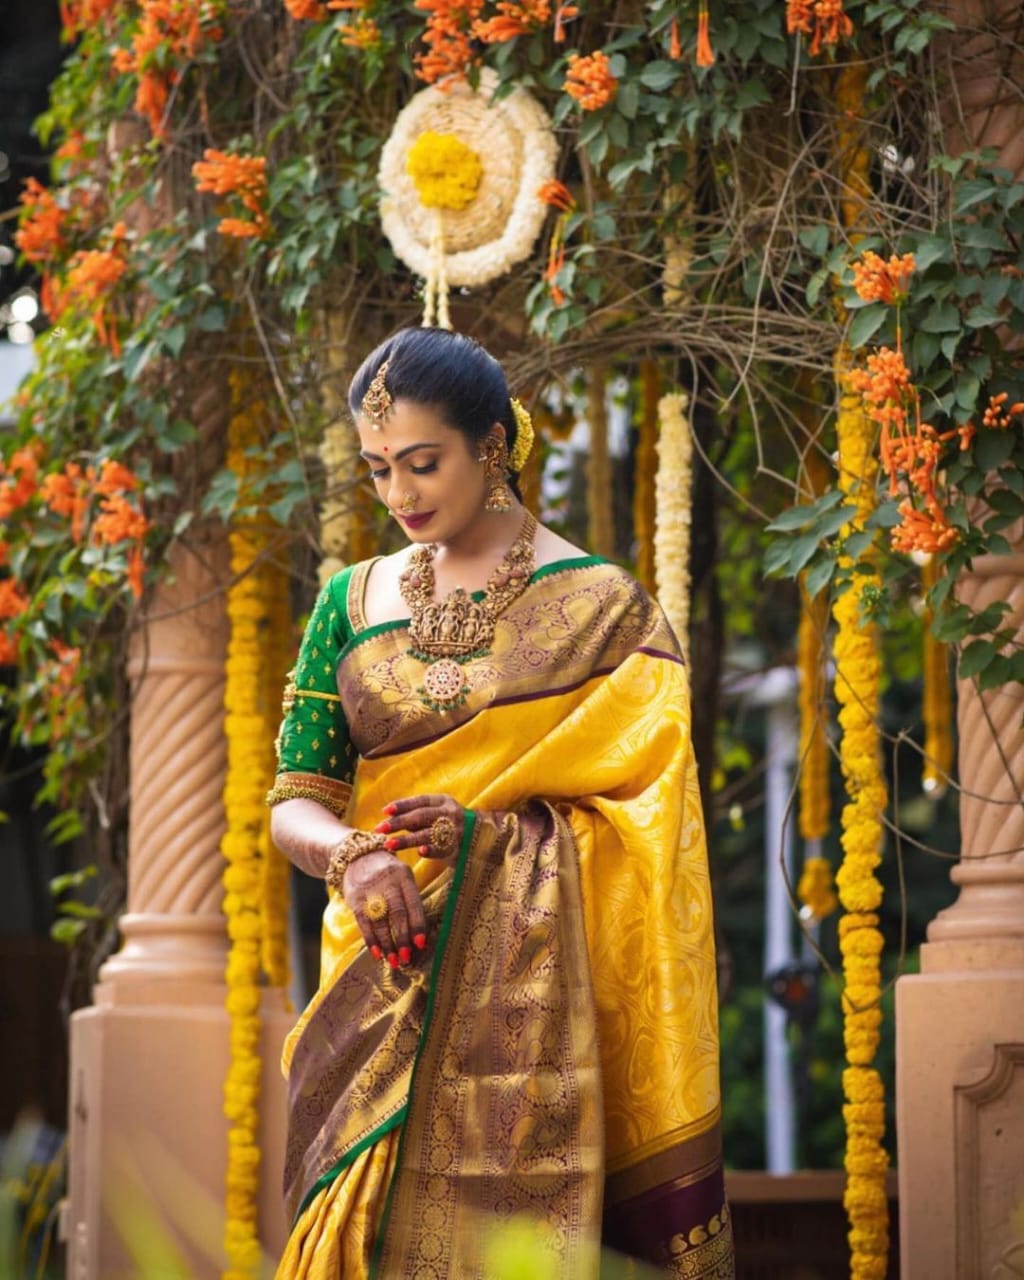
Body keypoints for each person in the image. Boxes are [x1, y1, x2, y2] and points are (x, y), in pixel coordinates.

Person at [267, 327, 734, 1279]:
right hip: (383, 977)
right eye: (377, 470)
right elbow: (294, 802)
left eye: (422, 464)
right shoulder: (347, 606)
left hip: (544, 1013)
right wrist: (356, 855)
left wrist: (483, 844)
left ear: (493, 445)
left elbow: (654, 833)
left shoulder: (605, 611)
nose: (399, 496)